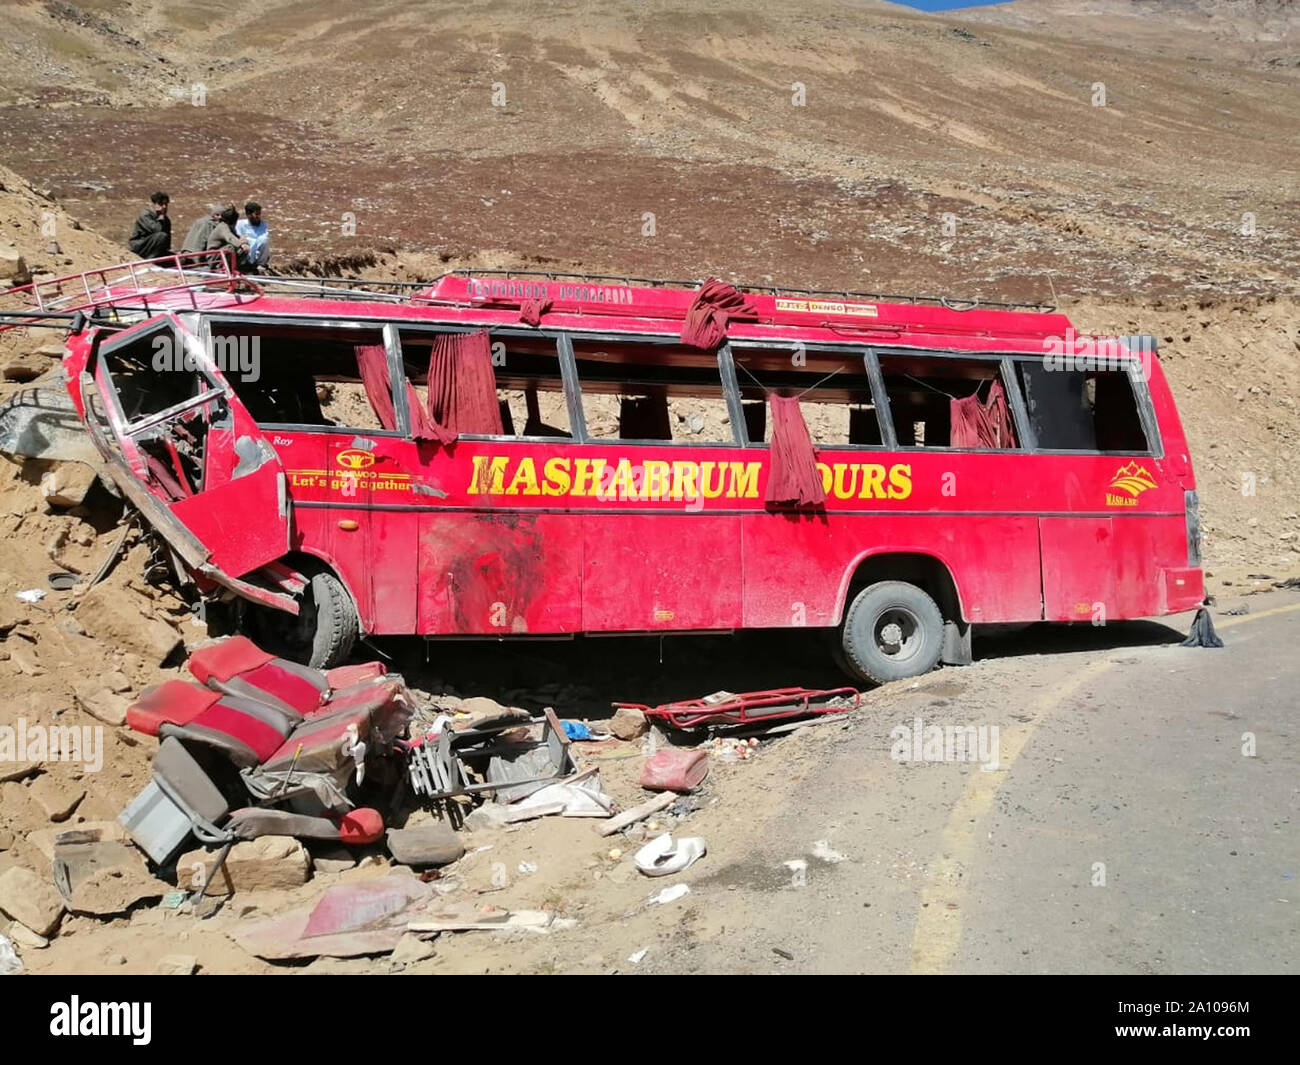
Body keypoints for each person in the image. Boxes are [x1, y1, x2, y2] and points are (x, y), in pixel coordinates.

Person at [205, 204, 252, 270]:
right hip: (214, 258)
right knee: (230, 248)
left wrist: (244, 240)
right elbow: (230, 238)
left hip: (220, 255)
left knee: (242, 249)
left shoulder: (229, 227)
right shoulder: (223, 227)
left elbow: (235, 236)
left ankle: (234, 267)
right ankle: (221, 268)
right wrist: (242, 244)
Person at [127, 192, 171, 258]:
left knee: (182, 260)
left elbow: (167, 242)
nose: (164, 207)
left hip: (155, 248)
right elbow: (156, 229)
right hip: (140, 246)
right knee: (161, 236)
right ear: (154, 204)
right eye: (161, 204)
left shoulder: (166, 220)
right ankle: (150, 261)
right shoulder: (146, 215)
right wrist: (161, 219)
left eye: (166, 204)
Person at [235, 201, 270, 273]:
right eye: (256, 214)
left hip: (258, 254)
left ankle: (261, 264)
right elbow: (238, 238)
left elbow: (263, 240)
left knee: (264, 240)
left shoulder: (263, 224)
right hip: (245, 254)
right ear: (249, 215)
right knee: (250, 240)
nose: (259, 216)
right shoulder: (240, 224)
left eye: (259, 214)